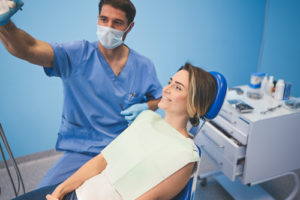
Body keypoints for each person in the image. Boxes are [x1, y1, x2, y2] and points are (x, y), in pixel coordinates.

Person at [0, 0, 162, 187]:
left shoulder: (143, 65)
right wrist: (6, 26)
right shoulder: (78, 54)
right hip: (84, 150)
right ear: (97, 19)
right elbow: (29, 48)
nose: (108, 27)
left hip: (124, 148)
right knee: (49, 192)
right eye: (103, 19)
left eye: (117, 23)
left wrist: (147, 106)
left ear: (129, 27)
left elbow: (158, 97)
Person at [12, 63, 217, 200]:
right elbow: (101, 161)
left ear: (195, 104)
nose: (166, 89)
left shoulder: (185, 155)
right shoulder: (147, 119)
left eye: (178, 87)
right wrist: (60, 191)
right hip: (78, 192)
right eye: (170, 82)